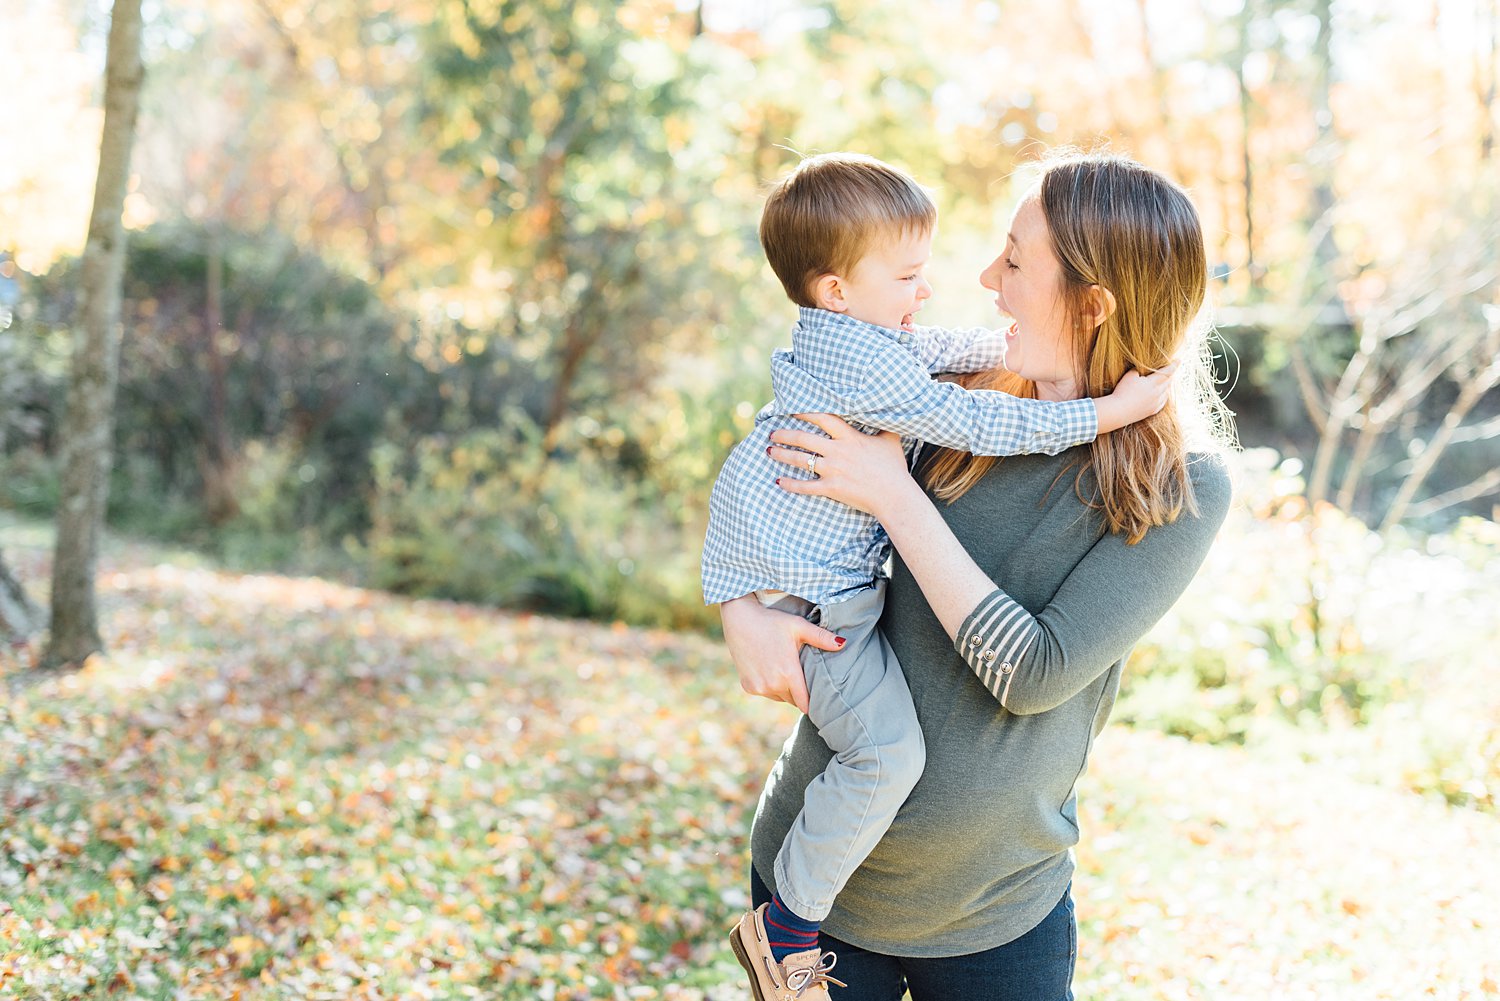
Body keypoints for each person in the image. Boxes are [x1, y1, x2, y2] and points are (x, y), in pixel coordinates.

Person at [720, 151, 1235, 1000]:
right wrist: (742, 608)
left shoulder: (1176, 486)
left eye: (1017, 260)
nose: (987, 277)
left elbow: (1033, 674)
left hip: (996, 915)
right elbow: (779, 477)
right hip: (818, 898)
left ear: (1093, 302)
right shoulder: (954, 392)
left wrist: (894, 494)